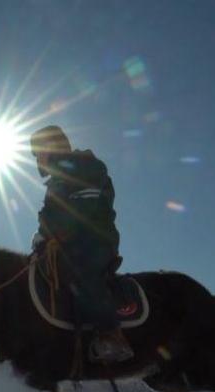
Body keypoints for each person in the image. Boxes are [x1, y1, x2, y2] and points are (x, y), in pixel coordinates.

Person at [29, 125, 134, 363]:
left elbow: (79, 211)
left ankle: (111, 335)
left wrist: (50, 233)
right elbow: (50, 217)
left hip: (95, 240)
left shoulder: (87, 166)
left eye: (39, 152)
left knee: (80, 271)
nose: (38, 158)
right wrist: (41, 237)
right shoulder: (56, 183)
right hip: (65, 243)